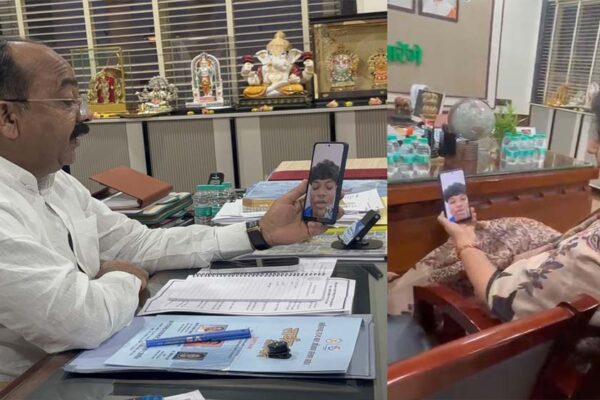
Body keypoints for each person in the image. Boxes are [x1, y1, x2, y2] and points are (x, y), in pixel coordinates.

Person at [0, 38, 341, 381]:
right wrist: (127, 278)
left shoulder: (56, 182)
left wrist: (260, 233)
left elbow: (140, 244)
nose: (85, 115)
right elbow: (80, 321)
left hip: (90, 358)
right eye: (66, 101)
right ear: (7, 117)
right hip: (32, 384)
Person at [389, 94, 600, 331]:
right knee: (508, 231)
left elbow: (498, 297)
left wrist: (464, 242)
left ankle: (396, 300)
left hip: (518, 333)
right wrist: (536, 253)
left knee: (469, 248)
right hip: (549, 258)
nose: (591, 147)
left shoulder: (586, 258)